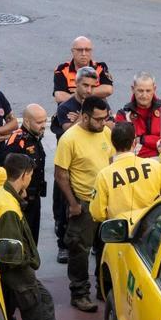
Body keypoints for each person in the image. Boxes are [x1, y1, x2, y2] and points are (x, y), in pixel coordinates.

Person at [0, 153, 72, 320]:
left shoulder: (3, 194)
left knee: (39, 302)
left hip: (12, 271)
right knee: (37, 307)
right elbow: (12, 249)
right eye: (31, 175)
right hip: (19, 272)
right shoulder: (8, 208)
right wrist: (27, 263)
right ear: (24, 175)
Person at [54, 96, 113, 312]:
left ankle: (103, 288)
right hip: (84, 204)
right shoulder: (69, 139)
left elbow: (110, 162)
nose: (102, 123)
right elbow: (61, 174)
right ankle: (79, 293)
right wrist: (73, 203)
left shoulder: (105, 132)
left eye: (105, 118)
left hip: (104, 202)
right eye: (98, 119)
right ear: (85, 116)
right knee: (79, 249)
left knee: (105, 246)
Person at [52, 66, 100, 263]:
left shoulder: (98, 104)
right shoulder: (65, 107)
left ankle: (95, 244)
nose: (88, 90)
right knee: (66, 208)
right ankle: (63, 246)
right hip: (67, 166)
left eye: (92, 86)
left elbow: (108, 124)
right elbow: (68, 131)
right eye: (85, 85)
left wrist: (83, 120)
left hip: (89, 165)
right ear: (76, 85)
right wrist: (82, 120)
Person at [89, 122, 161, 222]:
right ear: (134, 143)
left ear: (112, 143)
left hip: (121, 231)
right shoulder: (153, 165)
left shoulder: (104, 175)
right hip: (150, 229)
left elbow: (97, 214)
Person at [1, 104, 50, 241]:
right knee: (23, 239)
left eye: (45, 121)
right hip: (23, 199)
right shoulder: (18, 141)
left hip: (35, 197)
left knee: (33, 238)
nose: (43, 125)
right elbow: (9, 170)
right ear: (27, 122)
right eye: (39, 122)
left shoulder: (35, 136)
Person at [116, 71, 161, 158]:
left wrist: (143, 140)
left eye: (148, 90)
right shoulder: (123, 115)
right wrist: (160, 148)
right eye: (140, 90)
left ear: (154, 89)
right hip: (137, 168)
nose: (144, 95)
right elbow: (124, 148)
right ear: (133, 89)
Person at [53, 36, 113, 104]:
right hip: (71, 112)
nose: (84, 54)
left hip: (95, 112)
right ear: (72, 51)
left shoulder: (100, 67)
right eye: (79, 50)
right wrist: (93, 93)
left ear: (91, 51)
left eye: (87, 50)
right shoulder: (62, 70)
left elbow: (108, 90)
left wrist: (79, 93)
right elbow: (59, 97)